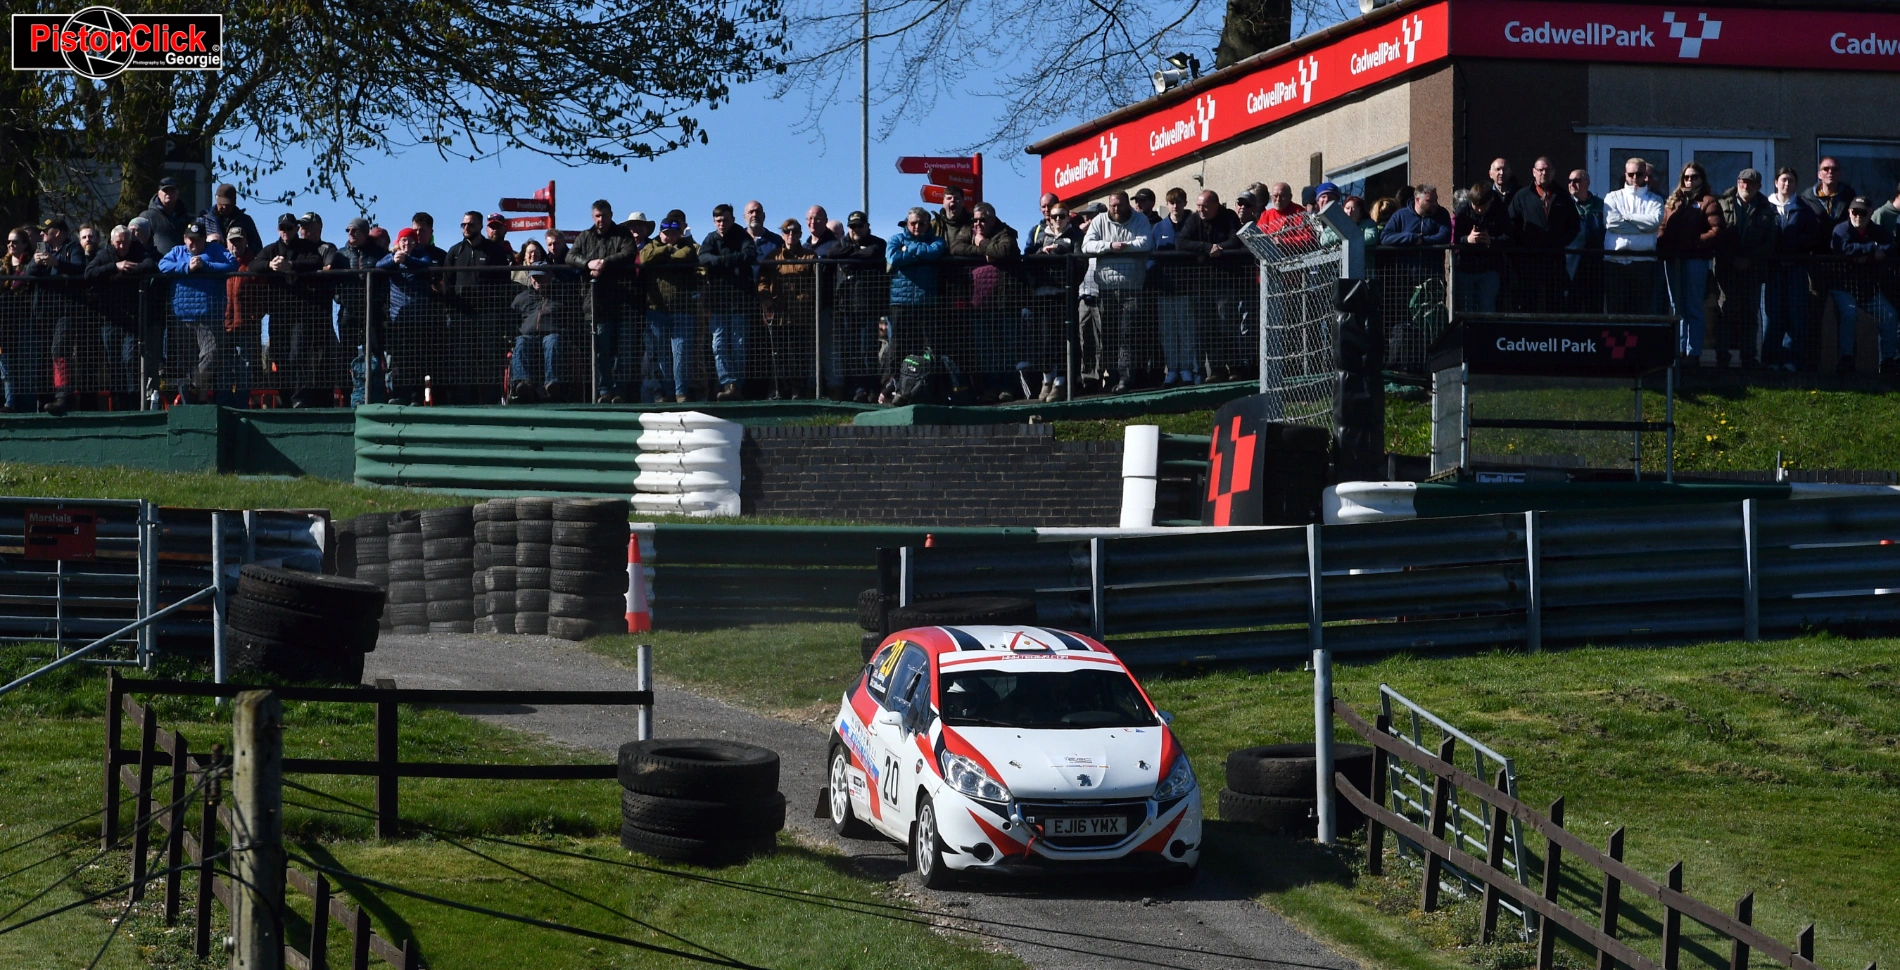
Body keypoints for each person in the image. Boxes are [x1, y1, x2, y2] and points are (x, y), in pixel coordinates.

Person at [1080, 191, 1154, 394]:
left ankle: (1125, 378)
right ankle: (1111, 376)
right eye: (1112, 205)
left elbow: (1146, 243)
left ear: (1127, 204)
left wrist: (1125, 247)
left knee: (1128, 334)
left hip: (1132, 287)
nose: (1116, 209)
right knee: (1109, 335)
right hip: (1106, 289)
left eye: (1119, 205)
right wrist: (1109, 246)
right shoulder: (1100, 221)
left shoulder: (1140, 219)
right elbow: (1087, 246)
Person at [947, 201, 1022, 401]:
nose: (978, 224)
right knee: (985, 349)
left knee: (1006, 348)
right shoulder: (969, 231)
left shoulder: (1005, 232)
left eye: (983, 220)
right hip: (979, 304)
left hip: (1005, 302)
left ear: (992, 219)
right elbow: (956, 248)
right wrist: (985, 250)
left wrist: (981, 242)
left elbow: (1005, 250)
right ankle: (989, 388)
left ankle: (1007, 388)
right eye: (975, 220)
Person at [566, 200, 639, 402]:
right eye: (597, 216)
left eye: (604, 215)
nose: (601, 219)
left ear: (611, 215)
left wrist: (605, 263)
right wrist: (587, 263)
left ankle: (620, 392)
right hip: (596, 305)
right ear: (593, 216)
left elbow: (629, 253)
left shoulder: (622, 234)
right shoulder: (584, 237)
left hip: (623, 303)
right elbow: (570, 256)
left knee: (623, 351)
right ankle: (604, 391)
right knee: (601, 352)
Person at [253, 213, 330, 405]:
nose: (286, 231)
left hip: (301, 314)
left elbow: (315, 262)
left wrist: (291, 266)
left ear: (296, 228)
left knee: (298, 356)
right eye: (282, 228)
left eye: (289, 227)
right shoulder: (271, 249)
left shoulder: (307, 248)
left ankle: (299, 399)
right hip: (278, 314)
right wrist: (269, 265)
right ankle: (285, 400)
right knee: (279, 357)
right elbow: (254, 265)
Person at [157, 221, 237, 402]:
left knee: (211, 354)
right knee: (188, 361)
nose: (193, 243)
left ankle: (193, 388)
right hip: (182, 316)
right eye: (190, 239)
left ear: (204, 240)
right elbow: (163, 265)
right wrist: (186, 267)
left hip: (209, 316)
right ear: (185, 239)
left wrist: (206, 266)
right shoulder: (177, 252)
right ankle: (196, 400)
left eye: (198, 240)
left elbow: (232, 264)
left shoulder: (215, 251)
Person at [84, 225, 156, 406]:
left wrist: (128, 270)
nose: (122, 247)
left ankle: (133, 399)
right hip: (111, 319)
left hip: (132, 318)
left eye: (125, 242)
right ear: (112, 241)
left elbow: (150, 265)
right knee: (113, 361)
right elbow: (89, 272)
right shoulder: (104, 254)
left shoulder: (138, 251)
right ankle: (118, 402)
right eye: (118, 243)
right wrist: (114, 267)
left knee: (130, 358)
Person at [1660, 161, 1723, 365]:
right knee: (1676, 307)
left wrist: (1695, 243)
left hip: (1696, 259)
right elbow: (1662, 226)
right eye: (1686, 177)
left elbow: (1716, 230)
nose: (1689, 181)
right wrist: (1663, 244)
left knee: (1693, 306)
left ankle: (1693, 352)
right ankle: (1677, 351)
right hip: (1673, 260)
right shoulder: (1673, 202)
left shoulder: (1708, 201)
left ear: (1702, 179)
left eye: (1694, 177)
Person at [1714, 169, 1776, 368]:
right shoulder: (1722, 203)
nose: (1746, 186)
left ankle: (1749, 357)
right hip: (1726, 269)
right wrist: (1731, 258)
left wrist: (1749, 258)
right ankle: (1722, 356)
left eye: (1751, 183)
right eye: (1743, 182)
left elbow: (1770, 241)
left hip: (1753, 270)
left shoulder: (1767, 209)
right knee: (1726, 312)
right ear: (1737, 182)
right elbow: (1717, 235)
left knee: (1750, 314)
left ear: (1758, 186)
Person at [1827, 198, 1897, 374]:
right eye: (1854, 212)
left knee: (1889, 315)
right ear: (1849, 212)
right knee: (1849, 314)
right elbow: (1841, 247)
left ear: (1871, 213)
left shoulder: (1875, 230)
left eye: (1863, 212)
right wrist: (1872, 249)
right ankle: (1846, 361)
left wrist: (1866, 251)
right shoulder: (1841, 229)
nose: (1858, 216)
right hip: (1843, 286)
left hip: (1867, 289)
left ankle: (1888, 362)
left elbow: (1891, 245)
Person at [26, 218, 88, 413]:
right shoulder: (42, 249)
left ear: (59, 232)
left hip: (65, 311)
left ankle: (63, 396)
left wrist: (57, 263)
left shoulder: (73, 248)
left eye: (47, 230)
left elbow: (80, 269)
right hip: (43, 313)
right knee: (44, 354)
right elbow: (29, 273)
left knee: (59, 351)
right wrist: (36, 262)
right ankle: (44, 397)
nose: (43, 234)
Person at [698, 203, 759, 401]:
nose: (721, 223)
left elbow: (749, 255)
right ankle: (728, 382)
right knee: (719, 344)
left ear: (732, 219)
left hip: (740, 301)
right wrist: (727, 262)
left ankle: (737, 385)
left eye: (724, 219)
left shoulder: (742, 236)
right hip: (717, 302)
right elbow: (703, 257)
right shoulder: (710, 238)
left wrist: (721, 261)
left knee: (739, 344)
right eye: (717, 220)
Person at [885, 206, 947, 401]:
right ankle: (892, 388)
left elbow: (935, 252)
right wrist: (921, 253)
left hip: (926, 302)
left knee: (929, 347)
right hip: (900, 303)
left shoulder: (936, 240)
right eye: (913, 223)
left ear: (928, 224)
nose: (917, 227)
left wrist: (909, 249)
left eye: (921, 223)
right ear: (907, 223)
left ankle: (927, 388)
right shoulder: (896, 239)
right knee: (898, 347)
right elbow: (893, 257)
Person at [1765, 167, 1824, 371]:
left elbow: (1813, 236)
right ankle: (1771, 359)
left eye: (1790, 181)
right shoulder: (1766, 206)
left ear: (1795, 184)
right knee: (1773, 315)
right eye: (1783, 180)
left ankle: (1791, 360)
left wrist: (1795, 243)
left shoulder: (1803, 208)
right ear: (1776, 182)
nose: (1786, 184)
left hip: (1796, 268)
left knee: (1795, 315)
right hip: (1773, 270)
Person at [824, 211, 886, 402]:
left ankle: (873, 388)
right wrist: (857, 254)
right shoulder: (842, 243)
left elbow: (873, 252)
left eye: (860, 226)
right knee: (851, 351)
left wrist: (852, 257)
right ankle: (858, 389)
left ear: (867, 226)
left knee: (869, 351)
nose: (856, 229)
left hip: (869, 305)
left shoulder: (878, 242)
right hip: (846, 307)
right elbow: (832, 253)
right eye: (852, 226)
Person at [640, 210, 699, 403]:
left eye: (674, 234)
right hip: (656, 310)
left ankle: (680, 392)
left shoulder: (688, 246)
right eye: (667, 234)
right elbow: (645, 258)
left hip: (683, 310)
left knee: (680, 353)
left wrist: (664, 256)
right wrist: (667, 250)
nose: (671, 238)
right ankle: (667, 391)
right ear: (661, 233)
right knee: (662, 354)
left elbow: (685, 255)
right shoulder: (651, 245)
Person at [1506, 157, 1580, 312]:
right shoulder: (1522, 196)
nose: (1544, 173)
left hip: (1555, 258)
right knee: (1529, 300)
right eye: (1540, 170)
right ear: (1534, 172)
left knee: (1555, 300)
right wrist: (1524, 244)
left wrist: (1561, 241)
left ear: (1553, 172)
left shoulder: (1563, 196)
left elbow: (1574, 225)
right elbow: (1512, 224)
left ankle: (1555, 334)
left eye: (1547, 170)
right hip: (1529, 259)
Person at [376, 227, 438, 402]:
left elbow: (426, 264)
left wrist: (408, 260)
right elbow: (378, 265)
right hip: (398, 318)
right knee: (399, 359)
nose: (406, 243)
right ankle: (399, 395)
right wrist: (394, 260)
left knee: (417, 359)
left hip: (419, 319)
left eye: (409, 240)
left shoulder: (421, 255)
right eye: (403, 240)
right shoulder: (392, 257)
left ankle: (416, 397)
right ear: (398, 242)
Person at [1603, 157, 1665, 314]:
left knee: (1641, 313)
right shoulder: (1612, 197)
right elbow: (1611, 223)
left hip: (1644, 263)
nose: (1635, 178)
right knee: (1615, 313)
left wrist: (1627, 217)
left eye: (1639, 174)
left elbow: (1654, 223)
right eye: (1631, 174)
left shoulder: (1656, 199)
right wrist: (1642, 227)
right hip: (1615, 263)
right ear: (1625, 175)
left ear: (1646, 175)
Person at [508, 241, 566, 401]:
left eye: (542, 276)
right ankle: (522, 384)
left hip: (551, 334)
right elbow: (511, 320)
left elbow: (570, 318)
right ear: (530, 278)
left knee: (553, 341)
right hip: (528, 336)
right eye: (535, 277)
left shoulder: (561, 295)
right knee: (520, 342)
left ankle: (552, 383)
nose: (538, 281)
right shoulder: (521, 298)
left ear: (549, 277)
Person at [1452, 182, 1510, 313]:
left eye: (1482, 207)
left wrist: (1491, 241)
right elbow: (1453, 238)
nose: (1478, 210)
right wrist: (1467, 239)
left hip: (1490, 267)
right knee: (1466, 309)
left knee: (1487, 307)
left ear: (1490, 202)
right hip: (1466, 267)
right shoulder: (1463, 211)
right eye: (1475, 206)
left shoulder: (1500, 210)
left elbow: (1508, 237)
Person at [1, 227, 38, 412]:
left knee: (25, 364)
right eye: (9, 241)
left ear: (25, 244)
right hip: (5, 322)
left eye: (15, 242)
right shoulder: (3, 266)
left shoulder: (30, 265)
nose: (10, 245)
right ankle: (10, 401)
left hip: (24, 318)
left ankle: (27, 405)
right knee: (6, 365)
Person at [1566, 170, 1607, 313]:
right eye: (1570, 181)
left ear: (1587, 183)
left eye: (1576, 181)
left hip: (1596, 265)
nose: (1572, 184)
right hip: (1571, 266)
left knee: (1594, 307)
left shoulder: (1601, 205)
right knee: (1571, 307)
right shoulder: (1564, 205)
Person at [1802, 157, 1857, 234]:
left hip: (1841, 243)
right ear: (1819, 175)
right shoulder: (1807, 198)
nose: (1830, 172)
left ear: (1839, 174)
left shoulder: (1849, 196)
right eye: (1826, 169)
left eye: (1834, 169)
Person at [139, 177, 192, 254]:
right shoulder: (147, 217)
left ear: (177, 193)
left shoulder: (186, 217)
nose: (169, 193)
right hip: (156, 263)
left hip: (182, 263)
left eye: (172, 190)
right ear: (158, 193)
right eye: (165, 190)